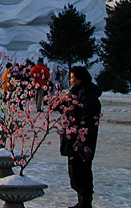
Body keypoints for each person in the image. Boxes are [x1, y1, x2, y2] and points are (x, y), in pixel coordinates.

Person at [60, 66, 101, 208]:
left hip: (82, 140)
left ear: (80, 78)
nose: (71, 81)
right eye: (70, 78)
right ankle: (81, 201)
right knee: (74, 172)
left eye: (73, 78)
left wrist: (82, 136)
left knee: (81, 171)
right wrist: (62, 102)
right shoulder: (75, 94)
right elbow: (65, 110)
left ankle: (85, 203)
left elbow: (89, 119)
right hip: (72, 138)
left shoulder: (88, 96)